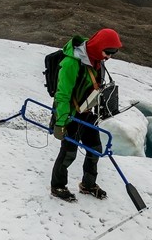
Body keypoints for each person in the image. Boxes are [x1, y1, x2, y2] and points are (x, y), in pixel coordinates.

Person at [50, 28, 123, 202]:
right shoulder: (71, 63)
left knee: (95, 149)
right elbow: (62, 95)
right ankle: (57, 186)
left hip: (88, 112)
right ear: (98, 46)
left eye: (113, 53)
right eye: (108, 52)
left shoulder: (97, 60)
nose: (109, 57)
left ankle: (88, 184)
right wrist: (61, 122)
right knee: (69, 152)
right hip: (70, 114)